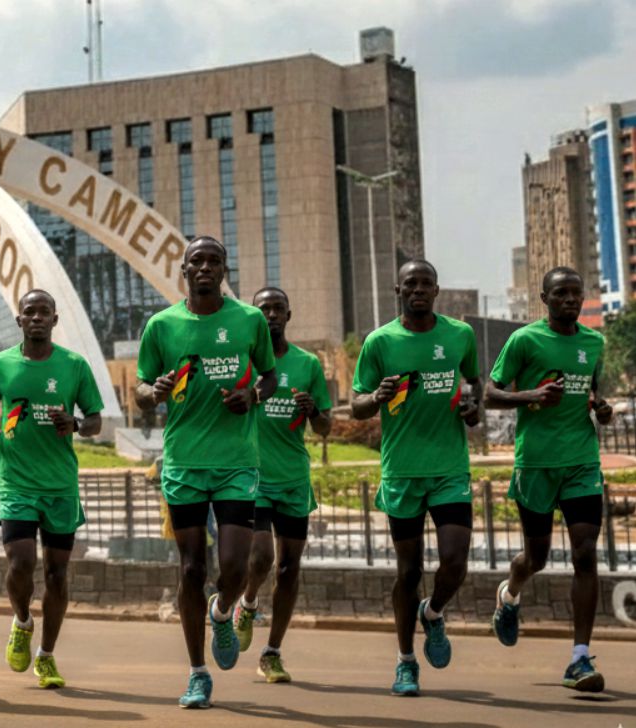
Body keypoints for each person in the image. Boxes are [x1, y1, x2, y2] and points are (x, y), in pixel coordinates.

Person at [133, 236, 276, 710]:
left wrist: (253, 396)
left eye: (214, 261)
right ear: (184, 270)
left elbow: (269, 375)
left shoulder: (249, 320)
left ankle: (222, 611)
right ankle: (197, 672)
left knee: (235, 567)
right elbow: (140, 390)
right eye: (198, 261)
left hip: (237, 462)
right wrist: (153, 392)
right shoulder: (162, 325)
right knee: (192, 567)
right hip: (184, 465)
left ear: (224, 270)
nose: (206, 268)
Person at [351, 259, 481, 697]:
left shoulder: (460, 335)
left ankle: (435, 610)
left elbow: (475, 387)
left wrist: (473, 408)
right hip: (402, 471)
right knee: (409, 571)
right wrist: (376, 396)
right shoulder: (380, 341)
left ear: (436, 290)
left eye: (426, 283)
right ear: (399, 290)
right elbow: (356, 405)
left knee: (455, 560)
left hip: (448, 470)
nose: (419, 290)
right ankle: (406, 662)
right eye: (411, 284)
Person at [484, 266, 611, 693]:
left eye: (576, 293)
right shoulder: (525, 340)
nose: (570, 300)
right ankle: (510, 594)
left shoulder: (594, 343)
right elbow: (490, 393)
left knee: (585, 553)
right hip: (536, 463)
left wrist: (602, 408)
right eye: (561, 294)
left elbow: (592, 393)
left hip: (581, 462)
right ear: (545, 299)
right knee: (535, 558)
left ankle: (579, 657)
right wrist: (531, 396)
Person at [0, 290, 103, 689]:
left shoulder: (74, 365)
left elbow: (97, 420)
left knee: (56, 572)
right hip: (16, 482)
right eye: (29, 312)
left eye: (43, 312)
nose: (36, 318)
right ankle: (22, 620)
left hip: (60, 486)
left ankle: (46, 656)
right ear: (19, 321)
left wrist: (76, 424)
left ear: (54, 319)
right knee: (19, 563)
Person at [232, 287, 331, 682]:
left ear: (289, 314)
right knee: (259, 560)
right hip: (253, 478)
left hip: (292, 479)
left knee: (289, 569)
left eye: (277, 308)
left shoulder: (307, 364)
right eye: (263, 309)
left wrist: (313, 413)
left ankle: (271, 652)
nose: (271, 314)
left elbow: (325, 427)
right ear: (254, 317)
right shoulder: (243, 363)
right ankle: (249, 601)